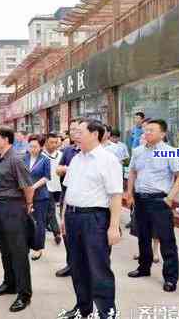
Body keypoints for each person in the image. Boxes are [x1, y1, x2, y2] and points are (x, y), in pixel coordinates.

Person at [61, 118, 122, 319]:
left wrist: (114, 227)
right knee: (77, 266)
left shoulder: (108, 159)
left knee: (98, 268)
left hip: (95, 219)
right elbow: (68, 190)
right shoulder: (77, 158)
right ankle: (83, 308)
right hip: (73, 217)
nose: (75, 135)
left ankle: (107, 312)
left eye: (80, 132)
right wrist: (63, 217)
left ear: (95, 134)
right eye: (75, 132)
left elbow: (115, 195)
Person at [127, 119, 179, 293]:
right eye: (146, 130)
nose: (147, 133)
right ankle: (144, 268)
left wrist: (170, 198)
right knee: (143, 236)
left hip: (159, 200)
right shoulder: (138, 151)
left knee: (166, 240)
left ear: (163, 134)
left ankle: (170, 277)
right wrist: (129, 192)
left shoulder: (170, 152)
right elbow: (132, 172)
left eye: (151, 130)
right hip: (140, 199)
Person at [0, 126, 34, 313]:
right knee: (6, 251)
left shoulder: (15, 159)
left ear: (5, 139)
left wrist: (28, 205)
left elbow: (28, 186)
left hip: (12, 209)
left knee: (18, 252)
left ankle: (24, 294)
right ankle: (10, 283)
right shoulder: (0, 158)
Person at [55, 118, 81, 278]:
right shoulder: (68, 151)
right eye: (71, 129)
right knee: (67, 233)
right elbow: (58, 169)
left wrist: (69, 169)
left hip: (85, 200)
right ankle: (71, 264)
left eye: (77, 129)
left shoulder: (97, 154)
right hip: (67, 195)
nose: (73, 133)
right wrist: (64, 169)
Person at [24, 134, 50, 261]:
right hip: (24, 195)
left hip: (40, 196)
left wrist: (34, 187)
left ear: (41, 147)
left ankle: (38, 248)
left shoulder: (45, 160)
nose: (32, 149)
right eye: (30, 146)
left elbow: (46, 177)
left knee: (39, 223)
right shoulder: (23, 158)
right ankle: (27, 245)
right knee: (26, 222)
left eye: (35, 146)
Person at [42, 133, 63, 245]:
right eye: (51, 142)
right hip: (47, 187)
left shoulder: (61, 155)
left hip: (59, 187)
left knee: (59, 211)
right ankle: (57, 233)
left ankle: (48, 224)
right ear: (46, 142)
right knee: (51, 210)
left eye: (56, 142)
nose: (54, 145)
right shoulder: (41, 155)